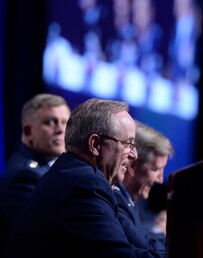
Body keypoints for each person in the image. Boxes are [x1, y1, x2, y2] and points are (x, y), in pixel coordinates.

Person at [3, 98, 166, 258]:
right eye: (127, 144)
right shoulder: (85, 186)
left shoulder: (70, 172)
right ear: (95, 145)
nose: (133, 154)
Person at [0, 93, 71, 253]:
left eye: (65, 122)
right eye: (50, 122)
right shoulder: (24, 176)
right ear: (28, 131)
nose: (60, 129)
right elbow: (43, 239)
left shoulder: (51, 168)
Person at [113, 120, 174, 254]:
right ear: (132, 165)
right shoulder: (116, 201)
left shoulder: (131, 201)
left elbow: (143, 240)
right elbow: (144, 249)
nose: (160, 180)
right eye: (156, 169)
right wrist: (160, 230)